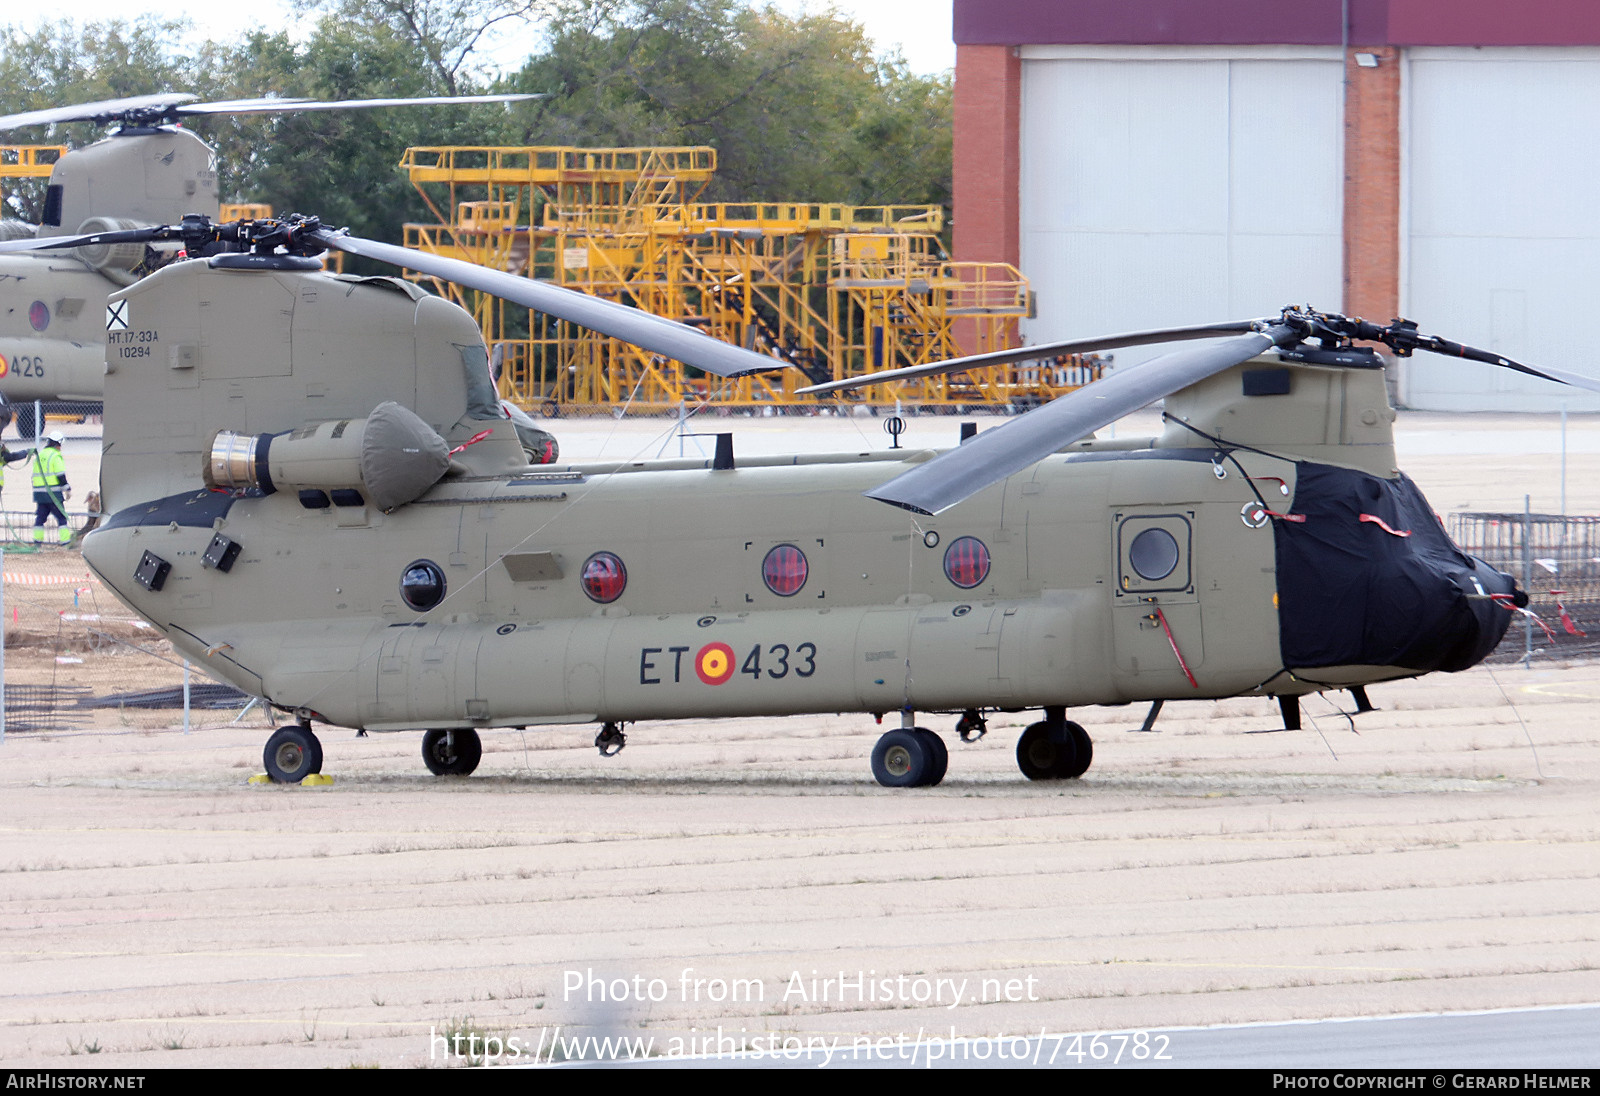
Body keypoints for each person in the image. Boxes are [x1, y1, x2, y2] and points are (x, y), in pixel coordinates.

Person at [31, 429, 71, 546]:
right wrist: (67, 489)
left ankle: (37, 542)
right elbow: (60, 475)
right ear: (57, 443)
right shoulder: (55, 456)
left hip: (39, 494)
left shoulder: (40, 455)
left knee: (40, 518)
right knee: (61, 518)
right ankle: (65, 542)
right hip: (53, 493)